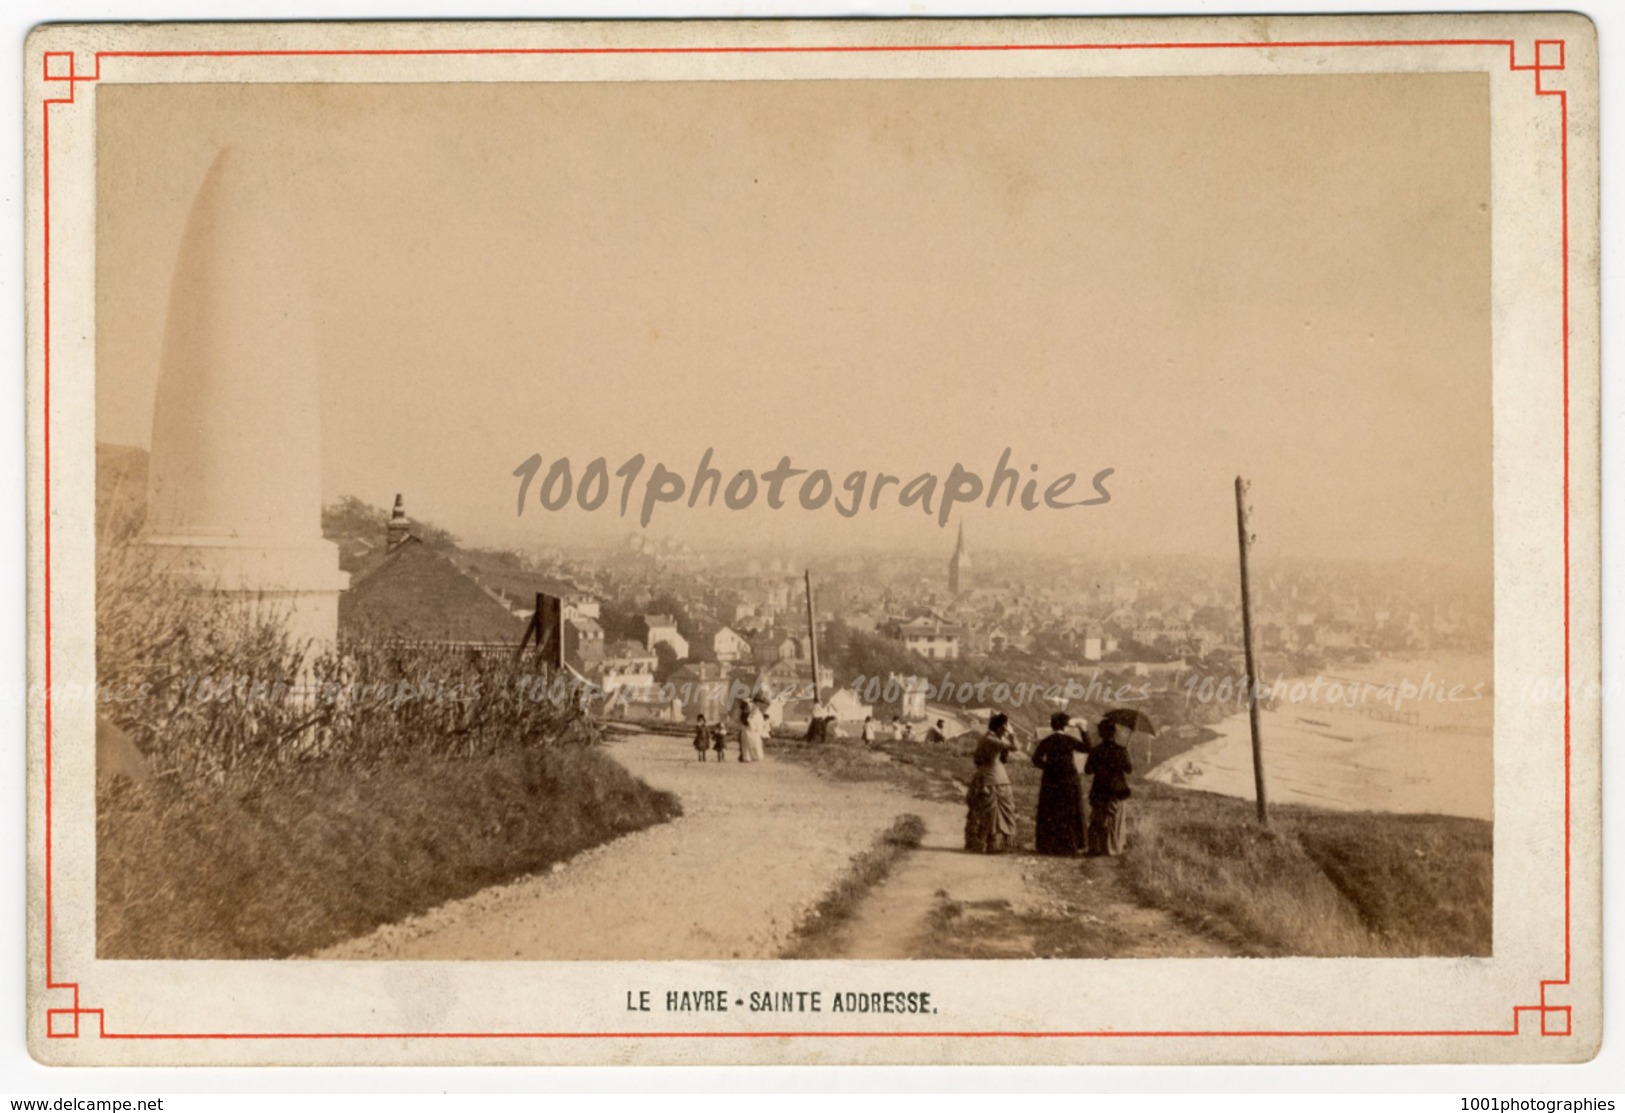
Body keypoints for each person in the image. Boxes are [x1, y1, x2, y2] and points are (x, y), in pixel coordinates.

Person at [1031, 711, 1089, 855]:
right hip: (1069, 779)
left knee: (1050, 810)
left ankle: (1049, 846)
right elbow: (1088, 748)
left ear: (1052, 725)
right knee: (1070, 811)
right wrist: (1083, 730)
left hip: (1051, 779)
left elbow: (1036, 759)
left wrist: (1048, 767)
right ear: (1065, 726)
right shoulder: (1069, 740)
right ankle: (1071, 845)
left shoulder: (1046, 741)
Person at [964, 712, 1020, 854]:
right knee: (993, 813)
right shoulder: (991, 739)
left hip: (990, 777)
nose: (1006, 729)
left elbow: (980, 760)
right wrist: (1012, 734)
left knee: (989, 813)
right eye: (1005, 727)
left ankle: (989, 844)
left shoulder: (989, 738)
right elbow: (1016, 747)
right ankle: (991, 845)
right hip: (993, 779)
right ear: (1000, 727)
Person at [1085, 718, 1135, 856]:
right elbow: (1129, 769)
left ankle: (1096, 847)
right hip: (1116, 788)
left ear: (1101, 734)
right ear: (1114, 733)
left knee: (1097, 818)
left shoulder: (1096, 751)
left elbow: (1088, 770)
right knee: (1115, 818)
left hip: (1099, 787)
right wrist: (1126, 752)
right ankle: (1112, 847)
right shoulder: (1121, 750)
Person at [740, 696, 770, 763]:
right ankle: (747, 757)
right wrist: (749, 722)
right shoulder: (750, 706)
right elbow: (745, 715)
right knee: (748, 742)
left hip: (754, 728)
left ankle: (756, 756)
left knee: (755, 742)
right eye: (759, 702)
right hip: (749, 727)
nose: (759, 704)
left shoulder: (756, 709)